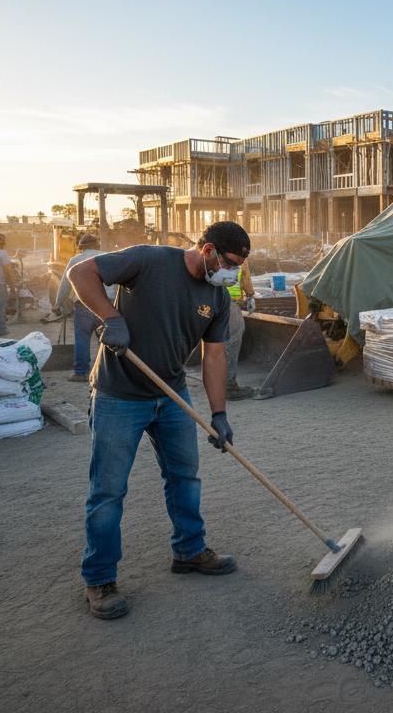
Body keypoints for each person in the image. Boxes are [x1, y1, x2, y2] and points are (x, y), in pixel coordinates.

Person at [68, 221, 250, 620]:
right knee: (109, 490)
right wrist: (111, 318)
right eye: (230, 264)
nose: (233, 274)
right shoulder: (150, 259)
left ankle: (189, 550)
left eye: (239, 267)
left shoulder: (218, 298)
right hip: (119, 394)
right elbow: (80, 273)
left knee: (185, 476)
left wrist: (219, 414)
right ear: (207, 250)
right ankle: (98, 578)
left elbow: (214, 356)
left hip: (170, 395)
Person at [54, 235, 116, 383]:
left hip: (84, 306)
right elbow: (118, 283)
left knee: (82, 339)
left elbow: (65, 284)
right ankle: (109, 373)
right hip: (108, 306)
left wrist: (58, 303)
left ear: (80, 247)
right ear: (98, 245)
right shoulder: (109, 257)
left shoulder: (75, 260)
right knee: (108, 339)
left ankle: (81, 372)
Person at [224, 258, 257, 401]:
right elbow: (244, 273)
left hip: (207, 301)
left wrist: (249, 294)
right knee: (232, 338)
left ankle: (213, 382)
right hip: (226, 302)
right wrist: (249, 294)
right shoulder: (236, 249)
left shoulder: (207, 245)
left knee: (212, 341)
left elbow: (243, 274)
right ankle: (228, 386)